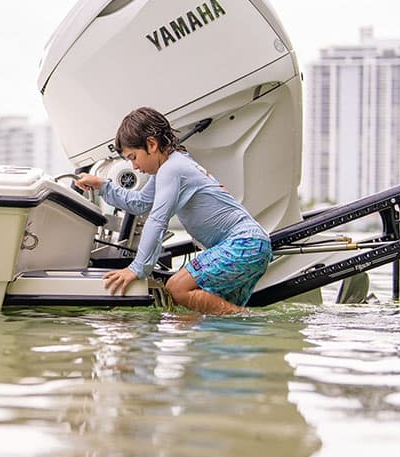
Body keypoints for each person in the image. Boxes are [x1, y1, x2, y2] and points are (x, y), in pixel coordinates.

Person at [74, 106, 271, 315]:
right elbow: (140, 203)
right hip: (252, 244)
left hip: (244, 243)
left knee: (177, 289)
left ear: (151, 144)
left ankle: (255, 320)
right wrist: (102, 186)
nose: (134, 167)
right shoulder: (170, 166)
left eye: (133, 157)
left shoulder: (172, 169)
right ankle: (247, 327)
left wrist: (137, 268)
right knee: (204, 317)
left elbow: (157, 221)